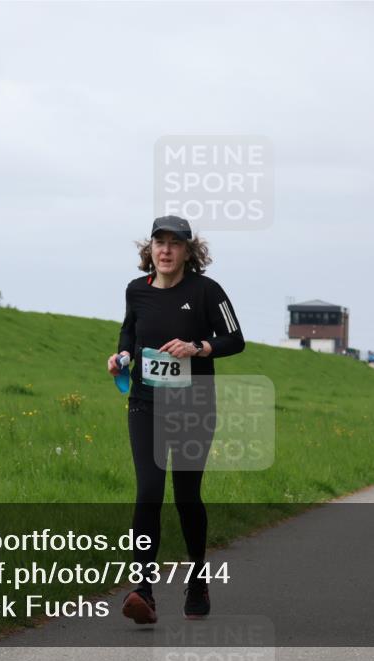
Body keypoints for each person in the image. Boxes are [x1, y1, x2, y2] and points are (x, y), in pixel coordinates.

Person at [108, 215, 245, 625]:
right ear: (149, 249)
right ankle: (143, 591)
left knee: (186, 496)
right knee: (149, 491)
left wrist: (198, 347)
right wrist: (122, 357)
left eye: (175, 243)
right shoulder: (136, 291)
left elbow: (235, 339)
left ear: (189, 251)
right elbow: (129, 334)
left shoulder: (207, 291)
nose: (166, 250)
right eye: (159, 242)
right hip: (145, 404)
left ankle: (198, 579)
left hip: (193, 406)